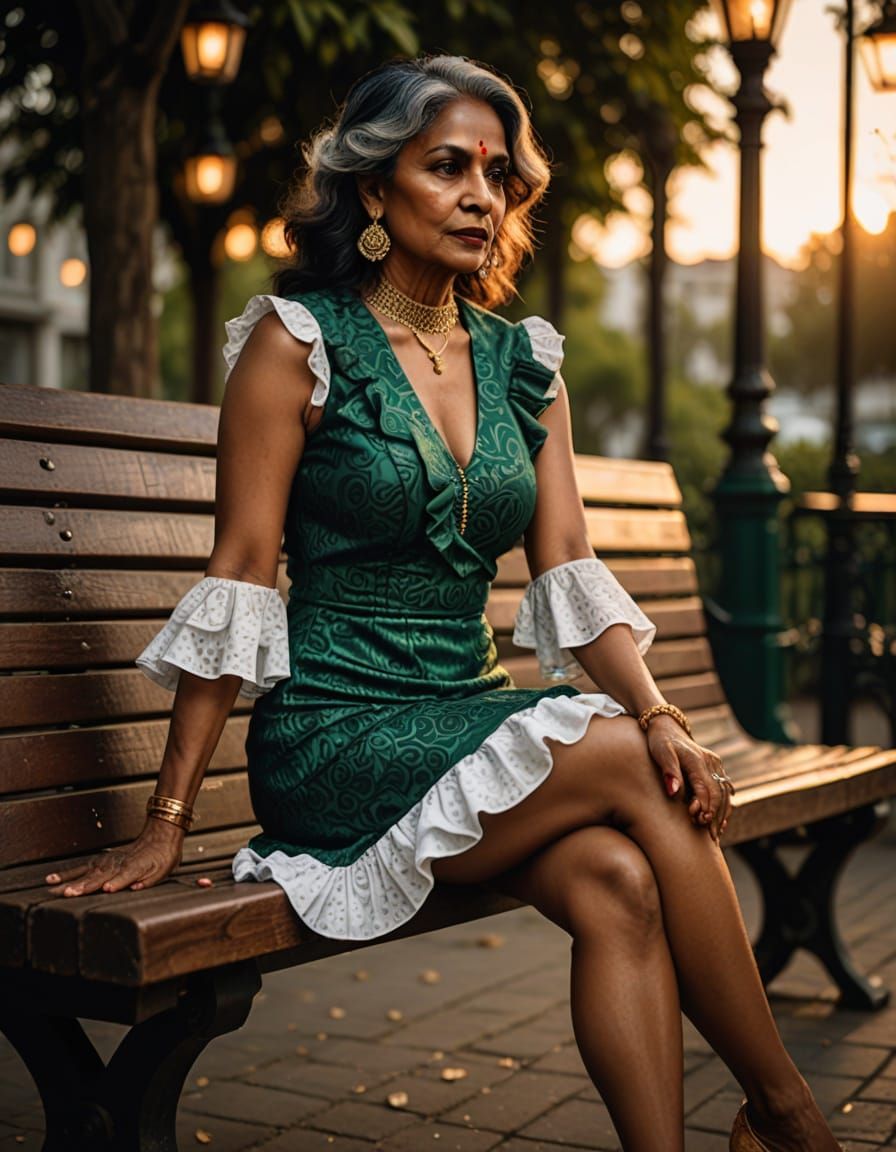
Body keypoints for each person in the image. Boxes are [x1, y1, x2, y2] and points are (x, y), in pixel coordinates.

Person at [44, 54, 842, 1152]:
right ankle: (789, 1117)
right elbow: (238, 573)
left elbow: (566, 567)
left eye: (498, 173)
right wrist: (167, 820)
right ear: (374, 190)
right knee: (631, 762)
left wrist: (656, 704)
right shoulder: (297, 343)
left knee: (617, 878)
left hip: (461, 716)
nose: (481, 193)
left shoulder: (524, 362)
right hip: (336, 733)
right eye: (446, 166)